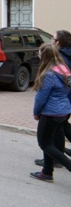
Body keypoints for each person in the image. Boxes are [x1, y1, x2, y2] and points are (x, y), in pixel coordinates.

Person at [29, 43, 71, 182]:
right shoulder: (64, 70)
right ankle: (47, 172)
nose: (38, 55)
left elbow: (41, 98)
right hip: (63, 111)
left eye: (39, 53)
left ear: (44, 56)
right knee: (50, 142)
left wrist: (36, 112)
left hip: (51, 113)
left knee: (45, 143)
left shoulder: (48, 75)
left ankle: (68, 165)